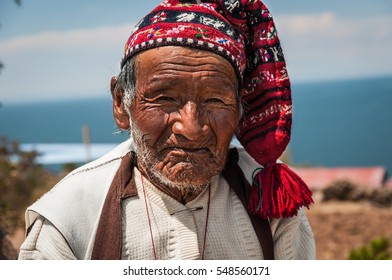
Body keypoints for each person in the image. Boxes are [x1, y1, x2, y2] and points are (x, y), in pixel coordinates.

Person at [18, 0, 315, 260]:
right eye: (164, 98)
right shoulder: (69, 218)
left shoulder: (273, 213)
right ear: (121, 103)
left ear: (239, 109)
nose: (191, 128)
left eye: (214, 100)